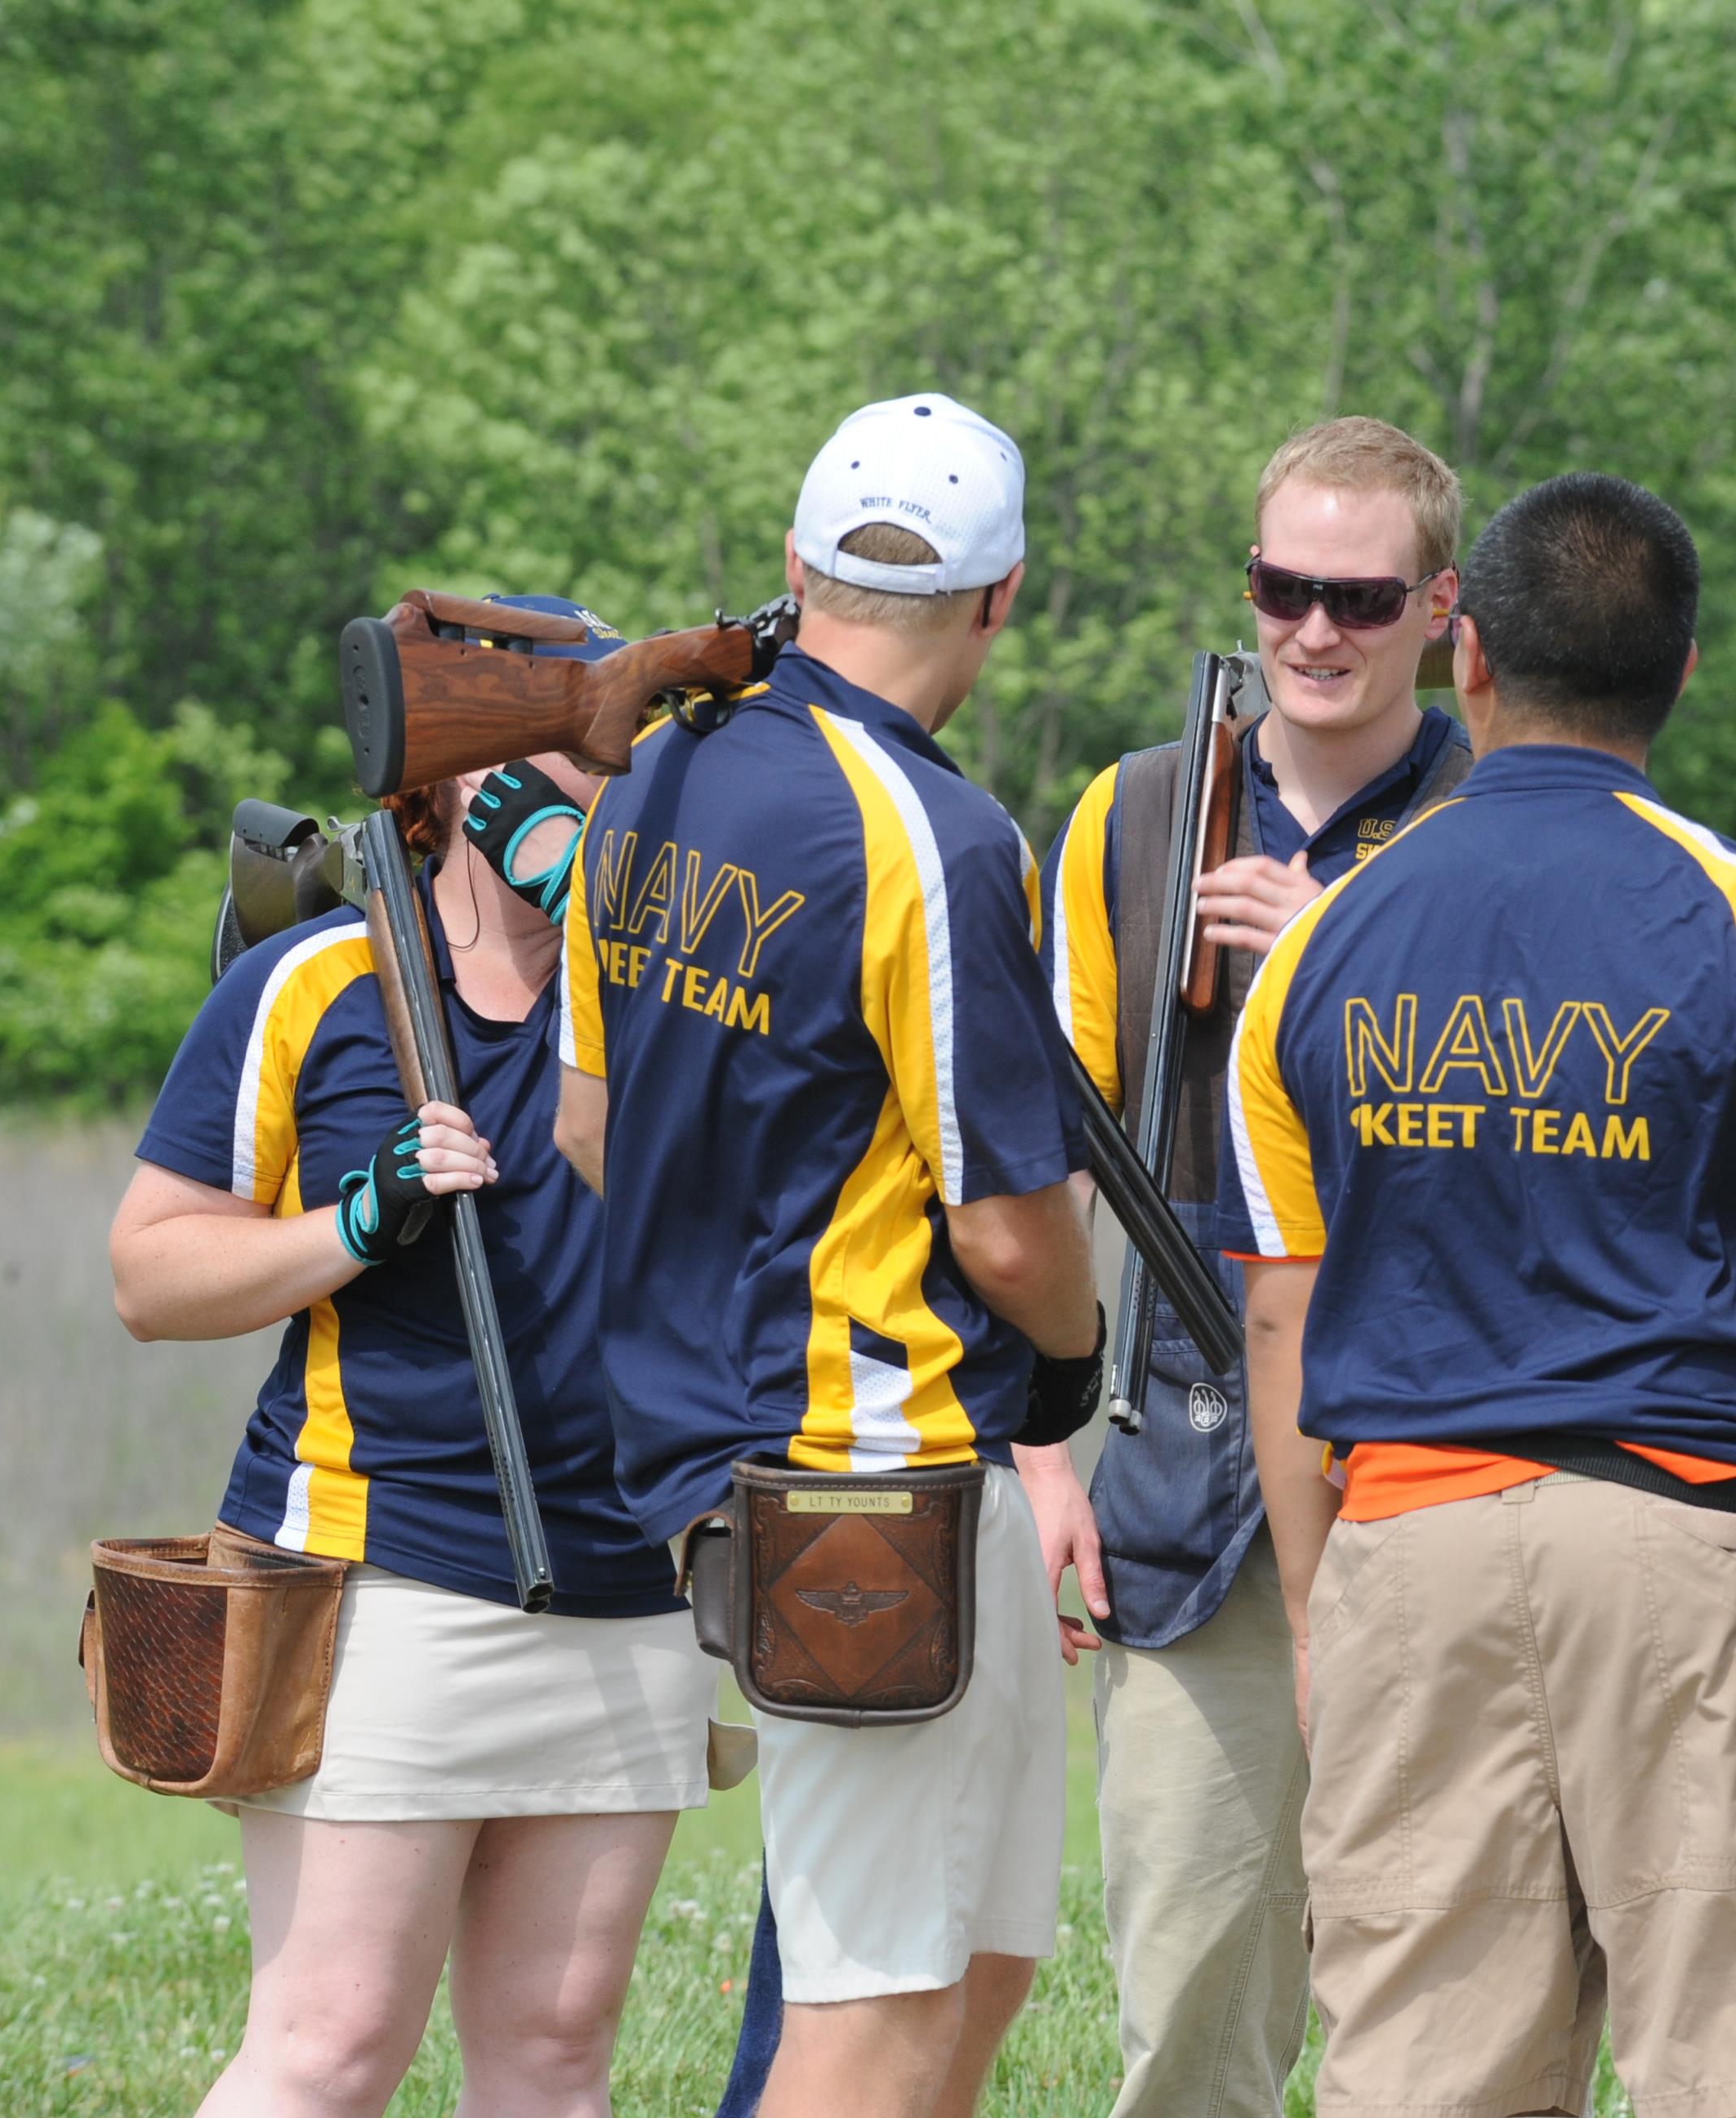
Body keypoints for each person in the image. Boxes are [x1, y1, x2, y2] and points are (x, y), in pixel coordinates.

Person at [1224, 471, 1736, 2118]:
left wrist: (1314, 1607)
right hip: (1684, 1546)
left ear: (1469, 659)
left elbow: (1285, 1318)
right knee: (1735, 2067)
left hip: (1405, 1539)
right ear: (1683, 675)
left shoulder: (1321, 944)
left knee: (1426, 2075)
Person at [555, 395, 1103, 2118]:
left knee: (971, 1961)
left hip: (776, 1460)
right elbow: (1011, 1229)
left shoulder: (655, 774)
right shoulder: (936, 840)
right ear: (1003, 600)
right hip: (867, 1469)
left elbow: (586, 1129)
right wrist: (1076, 1362)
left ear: (795, 568)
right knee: (867, 2016)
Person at [112, 597, 715, 2118]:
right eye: (562, 747)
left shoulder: (665, 992)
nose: (606, 773)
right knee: (329, 2053)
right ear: (456, 781)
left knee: (557, 2056)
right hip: (381, 1575)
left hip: (629, 1577)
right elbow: (149, 1275)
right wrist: (354, 1222)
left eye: (613, 743)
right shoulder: (313, 983)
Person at [1019, 415, 1472, 2117]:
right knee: (1195, 1988)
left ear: (1441, 610)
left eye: (1362, 597)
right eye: (1286, 587)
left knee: (1445, 1985)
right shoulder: (1132, 814)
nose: (1316, 633)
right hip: (1180, 1468)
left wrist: (1342, 958)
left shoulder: (1498, 823)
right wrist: (1039, 1448)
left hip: (1440, 1446)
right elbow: (1052, 1157)